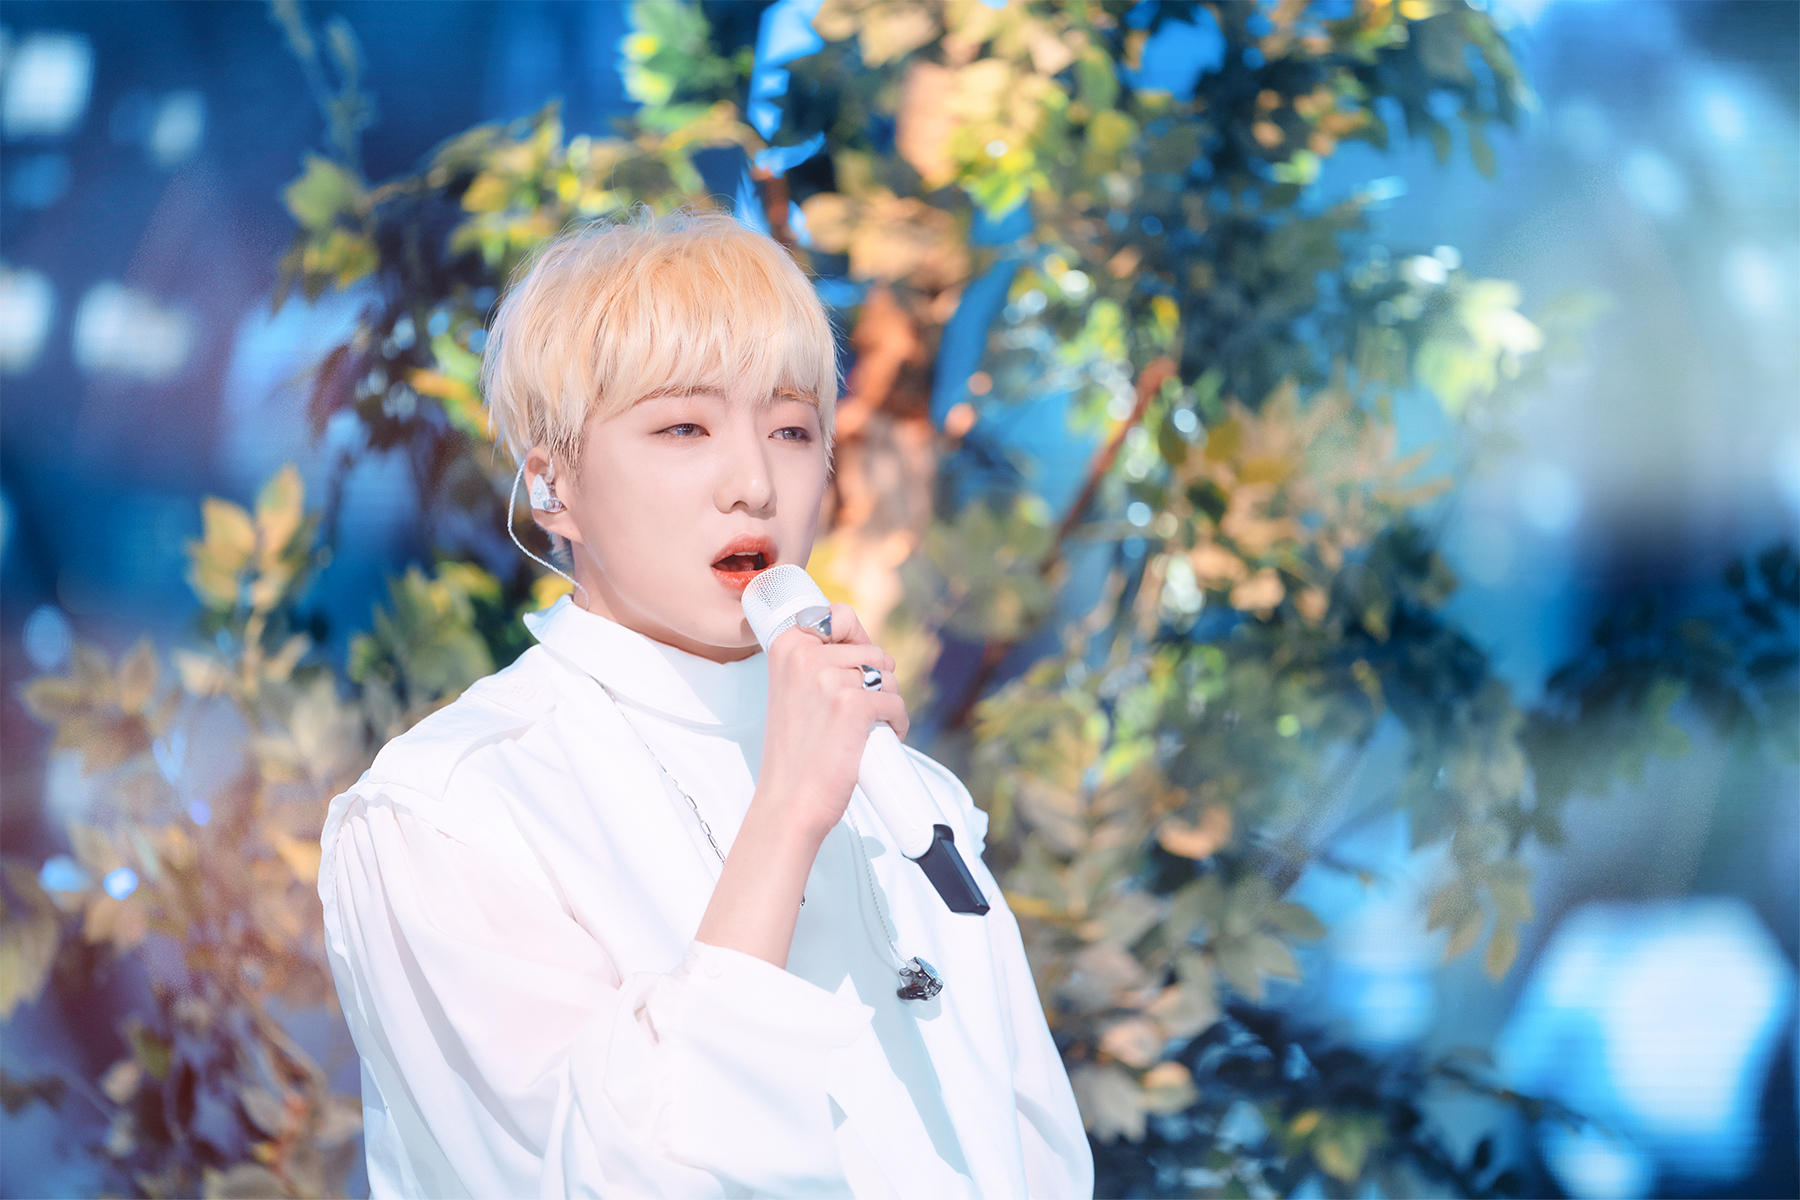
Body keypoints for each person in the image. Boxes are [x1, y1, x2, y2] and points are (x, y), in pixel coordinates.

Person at [317, 207, 1094, 1199]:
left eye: (791, 429)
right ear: (552, 485)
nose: (754, 483)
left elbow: (1039, 1156)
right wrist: (786, 816)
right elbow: (613, 1182)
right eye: (684, 427)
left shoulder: (909, 793)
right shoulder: (451, 814)